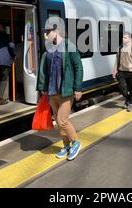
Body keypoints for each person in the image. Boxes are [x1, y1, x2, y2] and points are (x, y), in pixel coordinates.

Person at [37, 23, 84, 160]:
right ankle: (66, 145)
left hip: (66, 91)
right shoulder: (49, 49)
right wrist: (43, 87)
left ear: (56, 31)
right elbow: (44, 70)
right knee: (58, 122)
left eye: (48, 32)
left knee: (62, 120)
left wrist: (78, 87)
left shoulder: (70, 47)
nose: (46, 35)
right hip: (52, 91)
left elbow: (78, 67)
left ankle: (76, 142)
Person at [113, 32, 132, 112]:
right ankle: (128, 100)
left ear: (130, 39)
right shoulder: (120, 47)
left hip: (131, 72)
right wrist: (115, 69)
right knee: (122, 88)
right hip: (121, 71)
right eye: (123, 37)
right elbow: (117, 59)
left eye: (125, 37)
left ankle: (130, 104)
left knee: (131, 89)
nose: (123, 39)